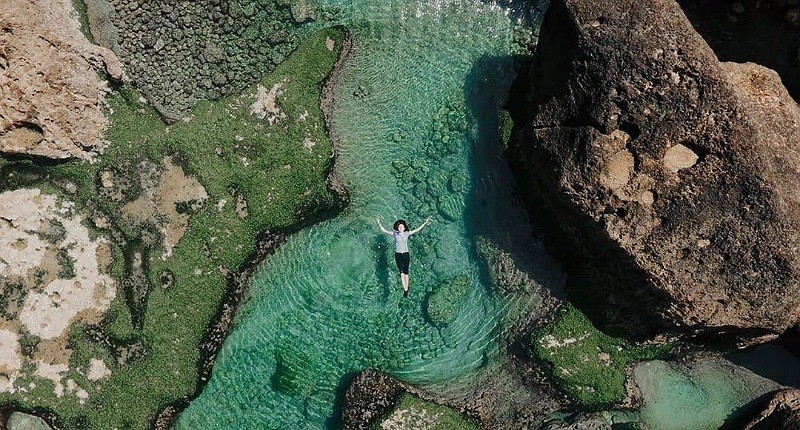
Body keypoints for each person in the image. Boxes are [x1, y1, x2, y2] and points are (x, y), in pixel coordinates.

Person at [376, 216, 432, 297]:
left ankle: (407, 288)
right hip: (398, 254)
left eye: (402, 226)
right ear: (397, 228)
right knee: (401, 272)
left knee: (406, 272)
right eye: (399, 226)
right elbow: (384, 230)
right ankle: (405, 290)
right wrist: (378, 223)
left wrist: (425, 223)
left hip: (406, 254)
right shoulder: (394, 234)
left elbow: (417, 230)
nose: (400, 227)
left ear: (404, 227)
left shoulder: (407, 233)